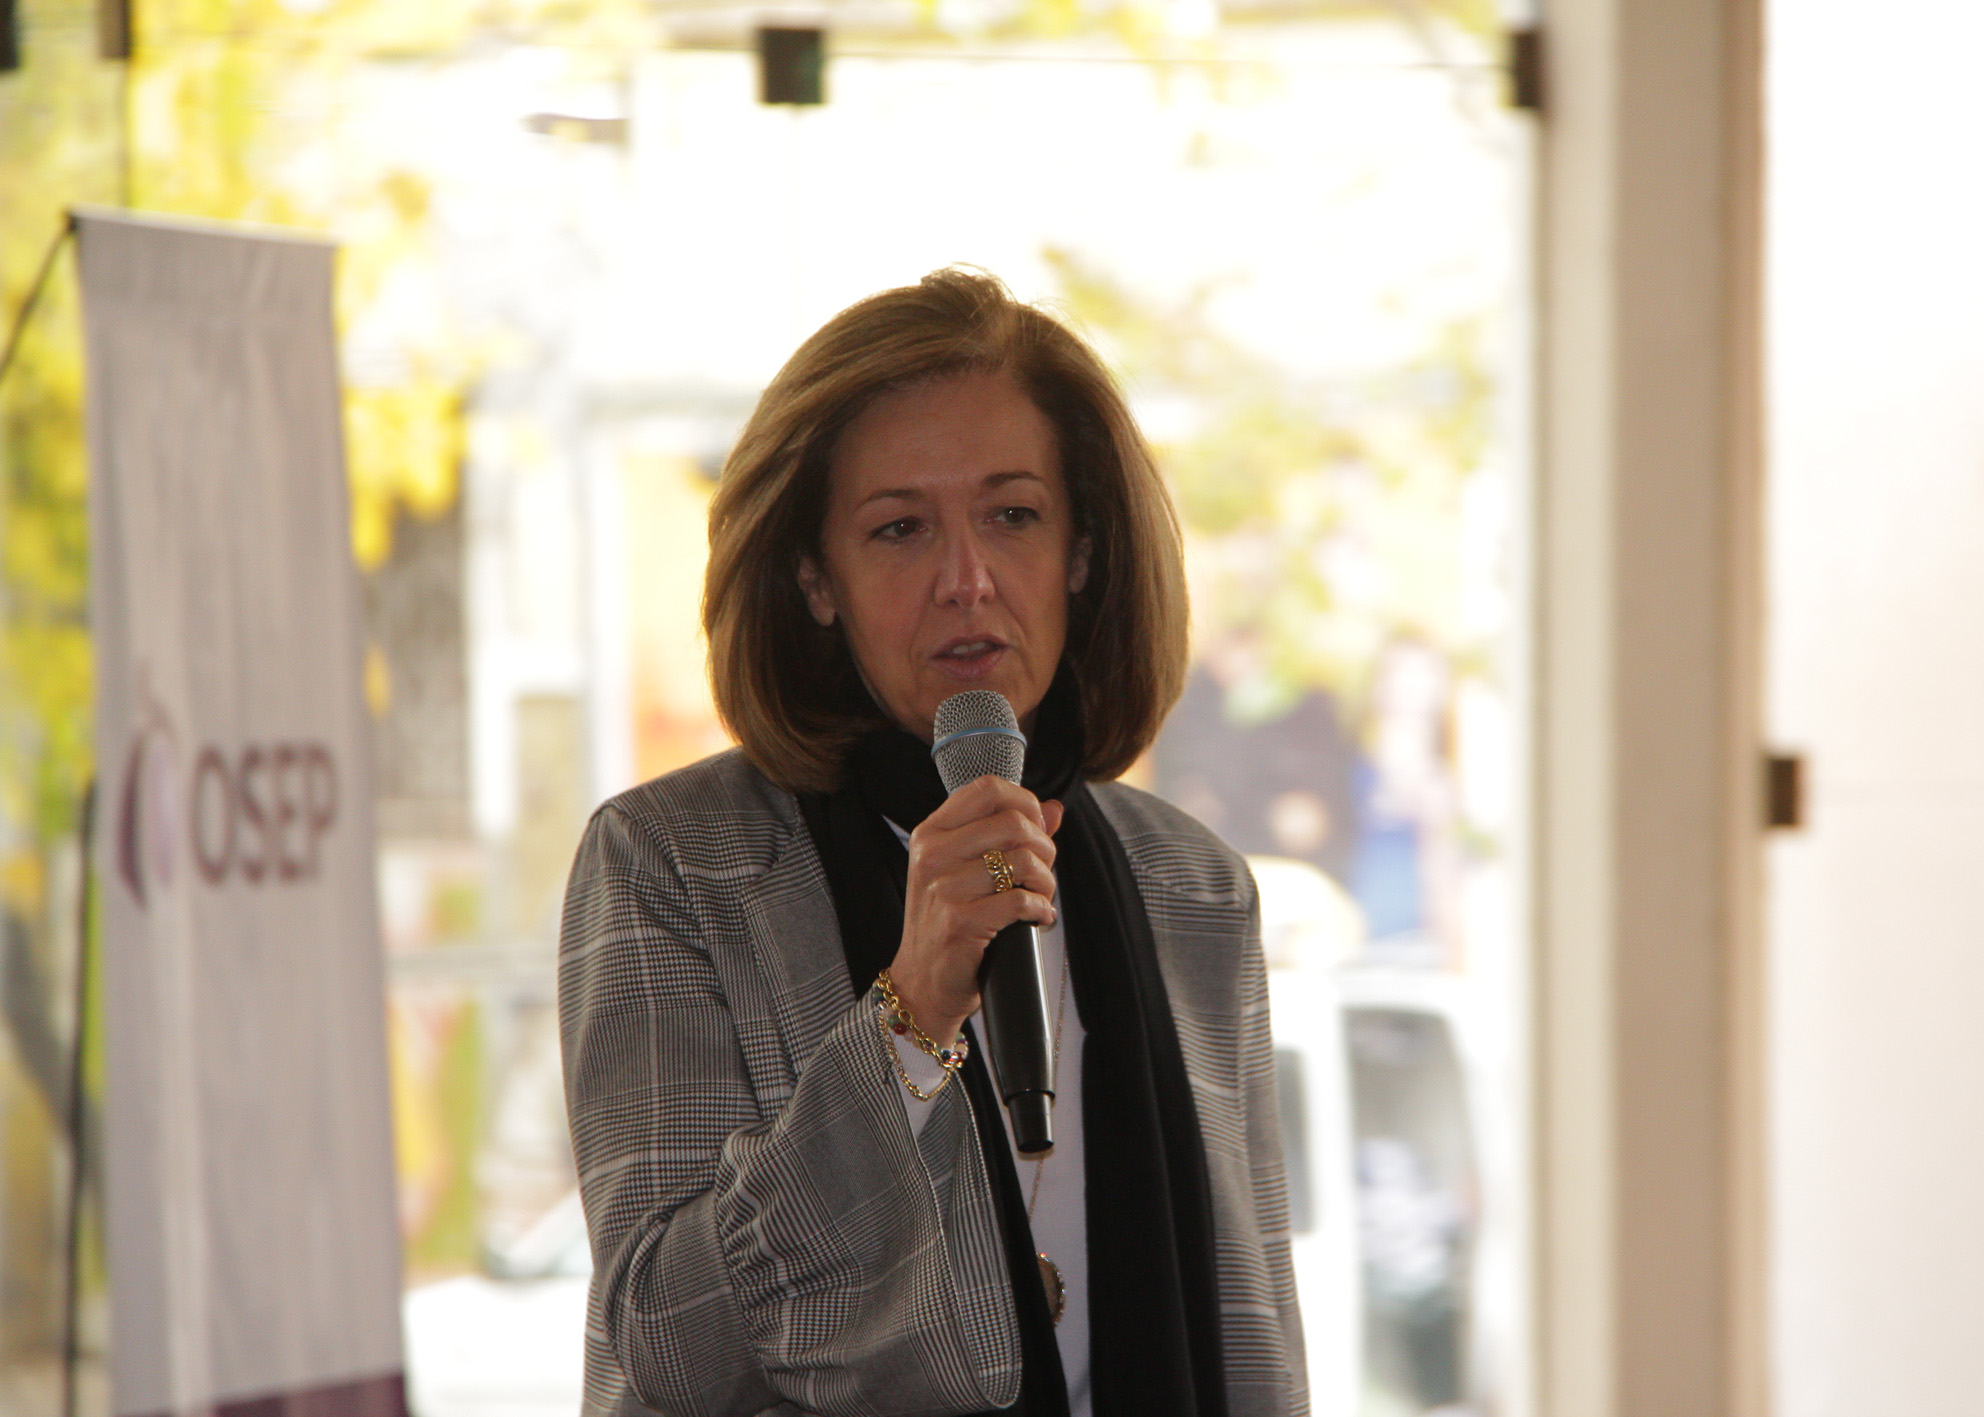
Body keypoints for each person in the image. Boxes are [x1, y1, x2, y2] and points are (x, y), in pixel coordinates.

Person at [559, 268, 1306, 1417]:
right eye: (899, 529)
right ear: (816, 579)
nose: (967, 580)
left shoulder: (1192, 888)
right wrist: (906, 1020)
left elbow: (1256, 1349)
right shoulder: (673, 865)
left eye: (1013, 516)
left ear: (1081, 553)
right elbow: (668, 1340)